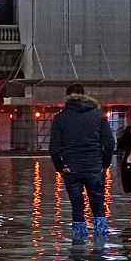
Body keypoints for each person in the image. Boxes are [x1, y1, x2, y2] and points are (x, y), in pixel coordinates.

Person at [49, 84, 116, 241]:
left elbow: (54, 149)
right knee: (98, 205)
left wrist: (60, 167)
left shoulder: (60, 118)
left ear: (67, 97)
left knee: (77, 207)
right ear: (84, 95)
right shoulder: (98, 115)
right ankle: (101, 243)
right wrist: (103, 164)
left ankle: (78, 247)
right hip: (94, 166)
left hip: (71, 168)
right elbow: (110, 144)